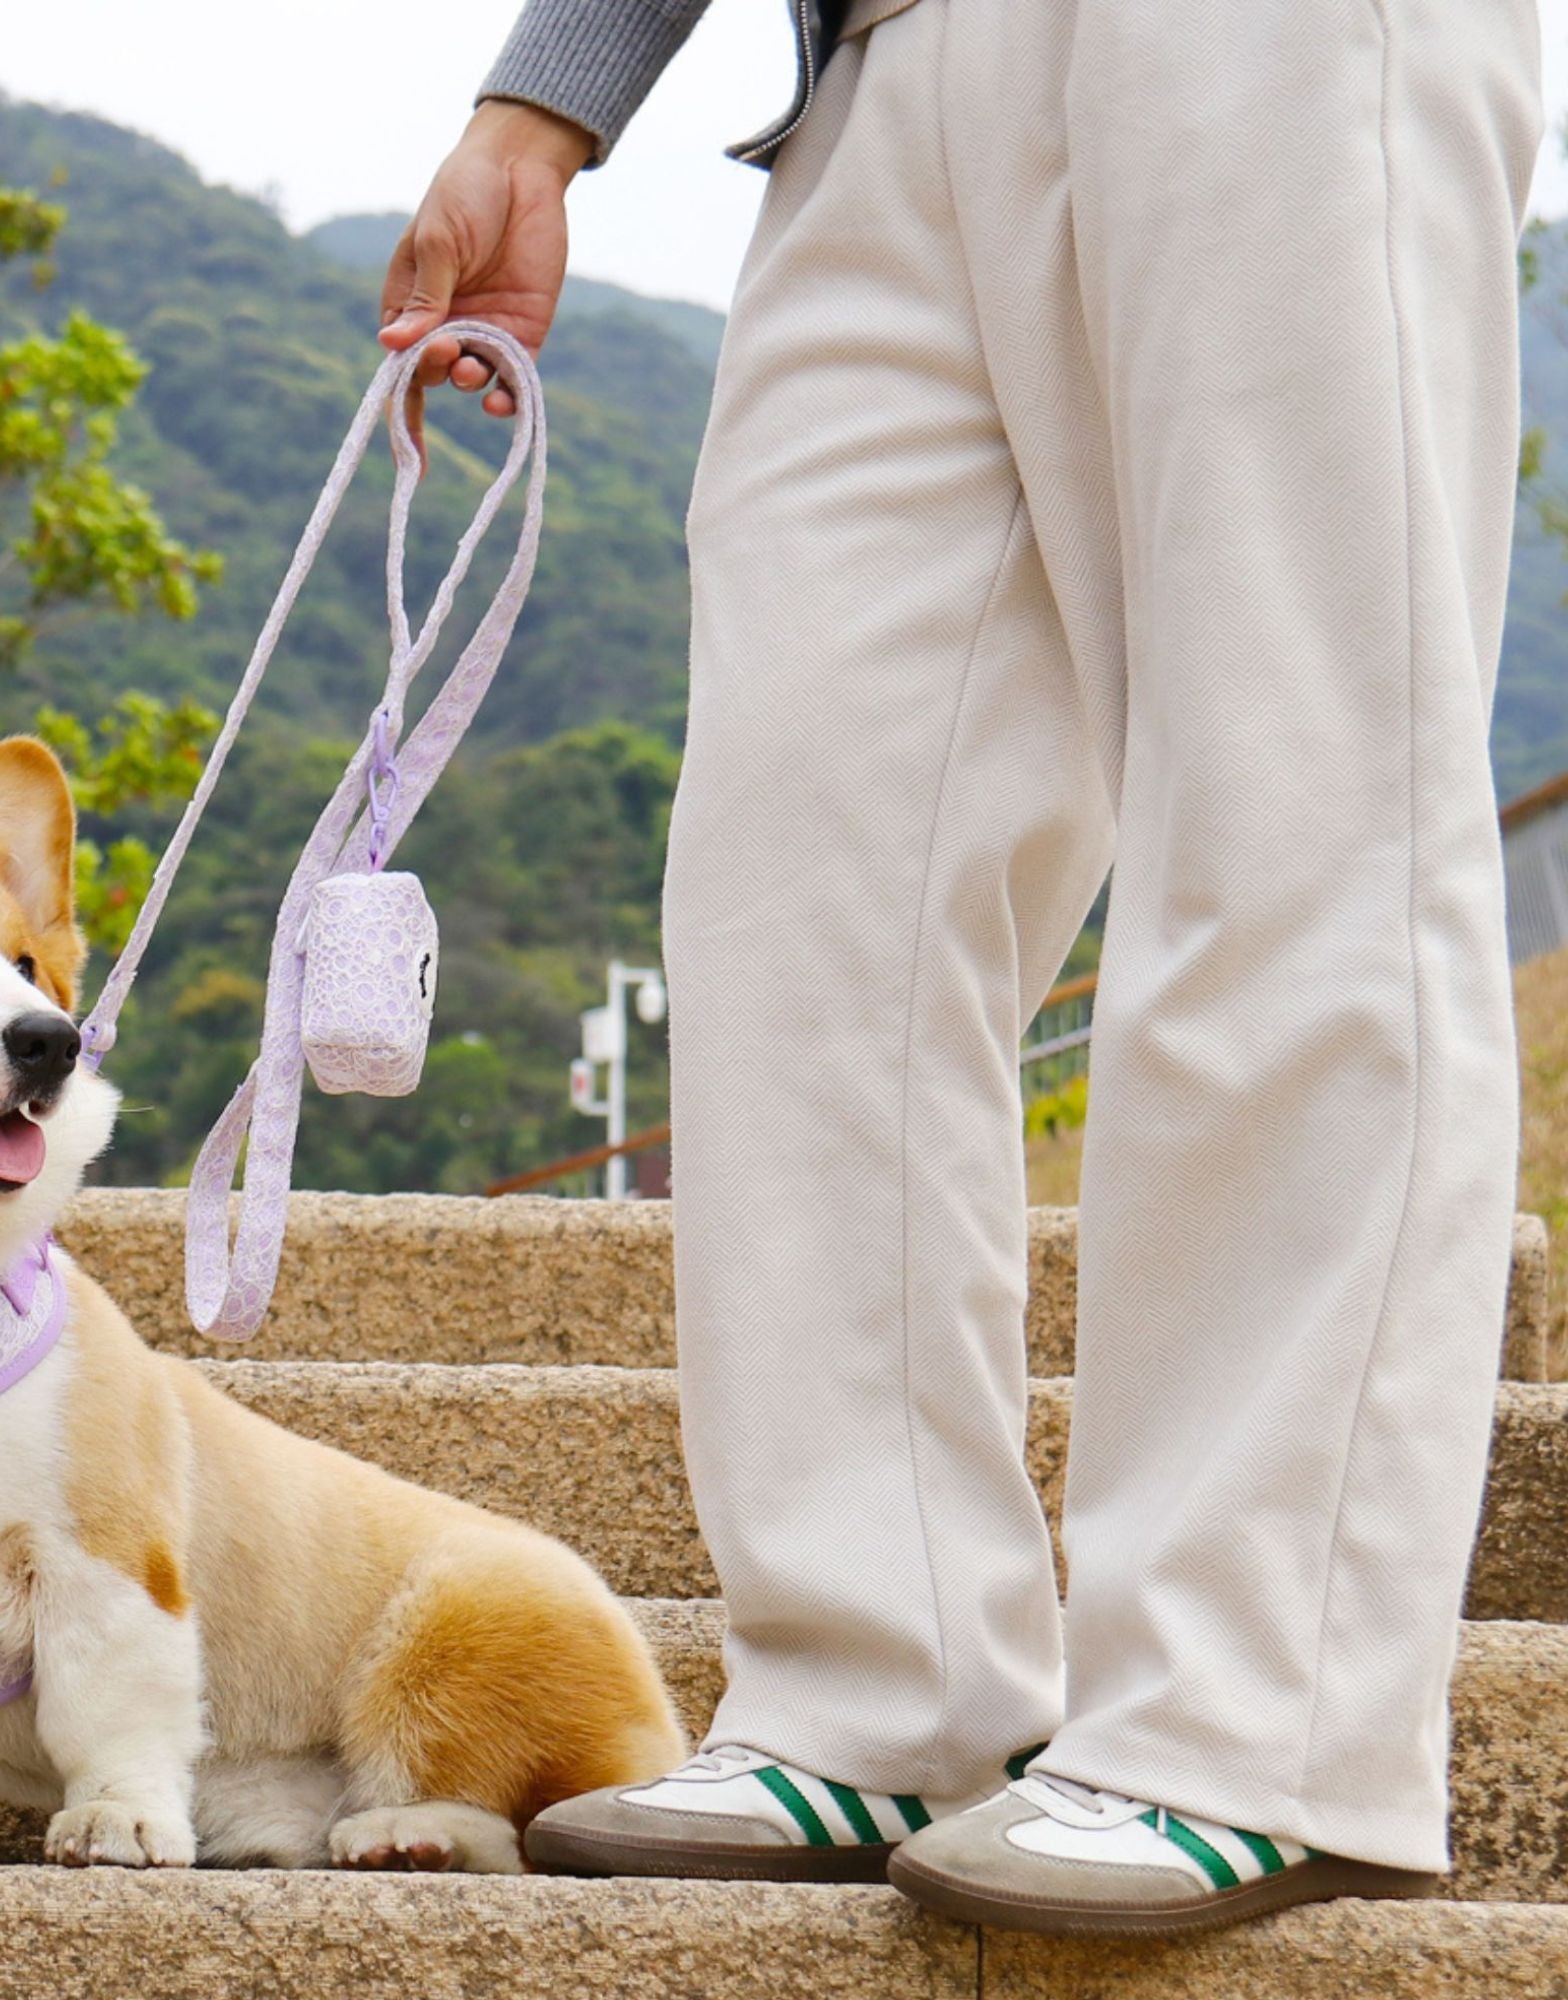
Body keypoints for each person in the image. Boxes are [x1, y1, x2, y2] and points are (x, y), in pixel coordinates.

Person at [383, 0, 1544, 1937]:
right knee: (802, 890)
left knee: (1290, 811)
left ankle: (1251, 1720)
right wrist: (550, 97)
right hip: (879, 67)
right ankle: (878, 1683)